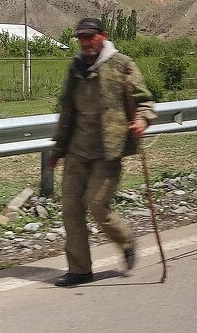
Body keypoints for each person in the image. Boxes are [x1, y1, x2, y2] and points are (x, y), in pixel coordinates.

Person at [48, 17, 157, 287]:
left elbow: (145, 101)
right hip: (76, 150)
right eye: (81, 38)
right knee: (71, 209)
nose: (85, 43)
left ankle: (126, 240)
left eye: (90, 37)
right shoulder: (75, 67)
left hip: (108, 151)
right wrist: (58, 149)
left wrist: (141, 121)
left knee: (96, 205)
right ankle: (80, 270)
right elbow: (66, 112)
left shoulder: (122, 64)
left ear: (103, 36)